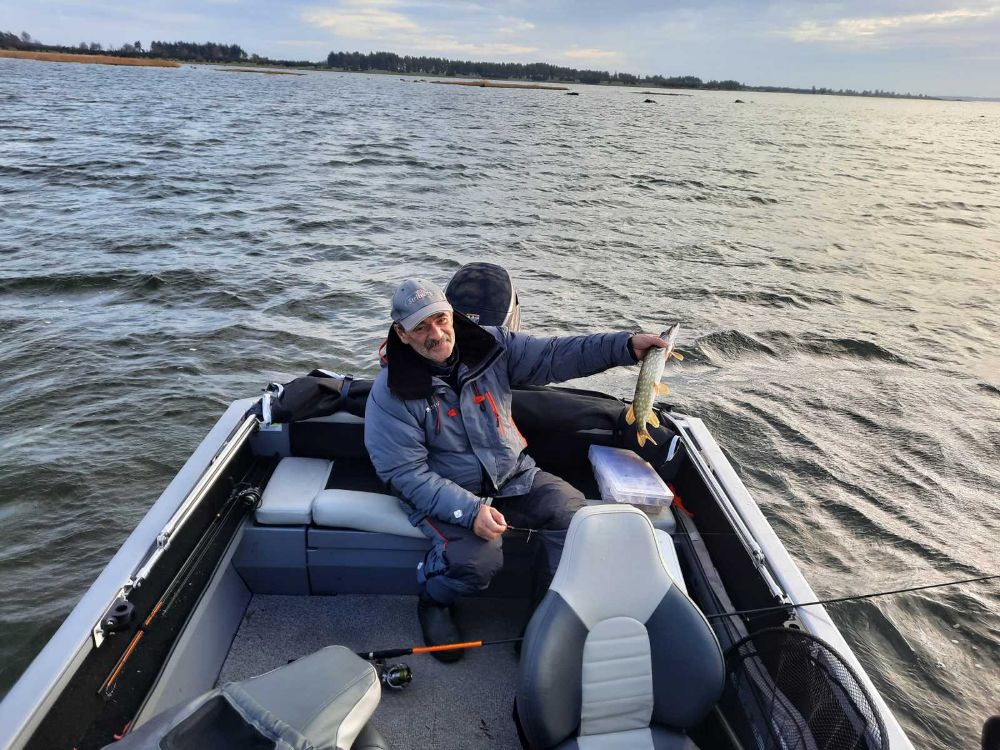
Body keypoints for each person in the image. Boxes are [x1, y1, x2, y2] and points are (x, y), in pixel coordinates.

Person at [364, 278, 667, 661]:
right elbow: (404, 474)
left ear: (452, 315)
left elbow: (556, 355)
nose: (436, 334)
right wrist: (469, 511)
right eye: (421, 327)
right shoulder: (390, 392)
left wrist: (624, 347)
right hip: (446, 494)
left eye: (440, 319)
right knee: (478, 561)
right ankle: (434, 600)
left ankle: (544, 616)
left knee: (572, 516)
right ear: (401, 334)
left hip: (510, 474)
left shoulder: (492, 346)